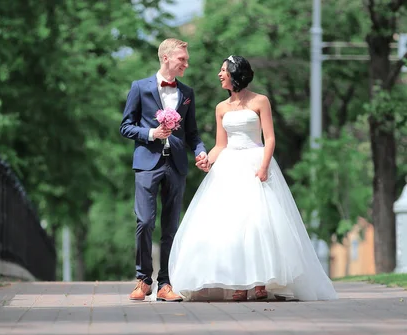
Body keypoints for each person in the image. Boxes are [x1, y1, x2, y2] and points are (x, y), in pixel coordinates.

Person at [169, 55, 338, 301]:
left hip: (255, 163)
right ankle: (240, 283)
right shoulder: (221, 107)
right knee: (232, 226)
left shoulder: (261, 101)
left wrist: (264, 166)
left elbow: (269, 138)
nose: (219, 74)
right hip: (228, 167)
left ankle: (261, 282)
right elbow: (220, 145)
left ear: (235, 74)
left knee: (260, 224)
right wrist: (207, 159)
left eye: (223, 70)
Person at [120, 38, 208, 302]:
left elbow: (192, 133)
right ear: (166, 58)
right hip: (147, 163)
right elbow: (125, 126)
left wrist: (201, 150)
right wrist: (151, 133)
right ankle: (143, 280)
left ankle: (165, 283)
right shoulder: (139, 88)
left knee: (171, 227)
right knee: (145, 221)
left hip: (176, 164)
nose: (186, 63)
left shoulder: (187, 93)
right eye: (182, 59)